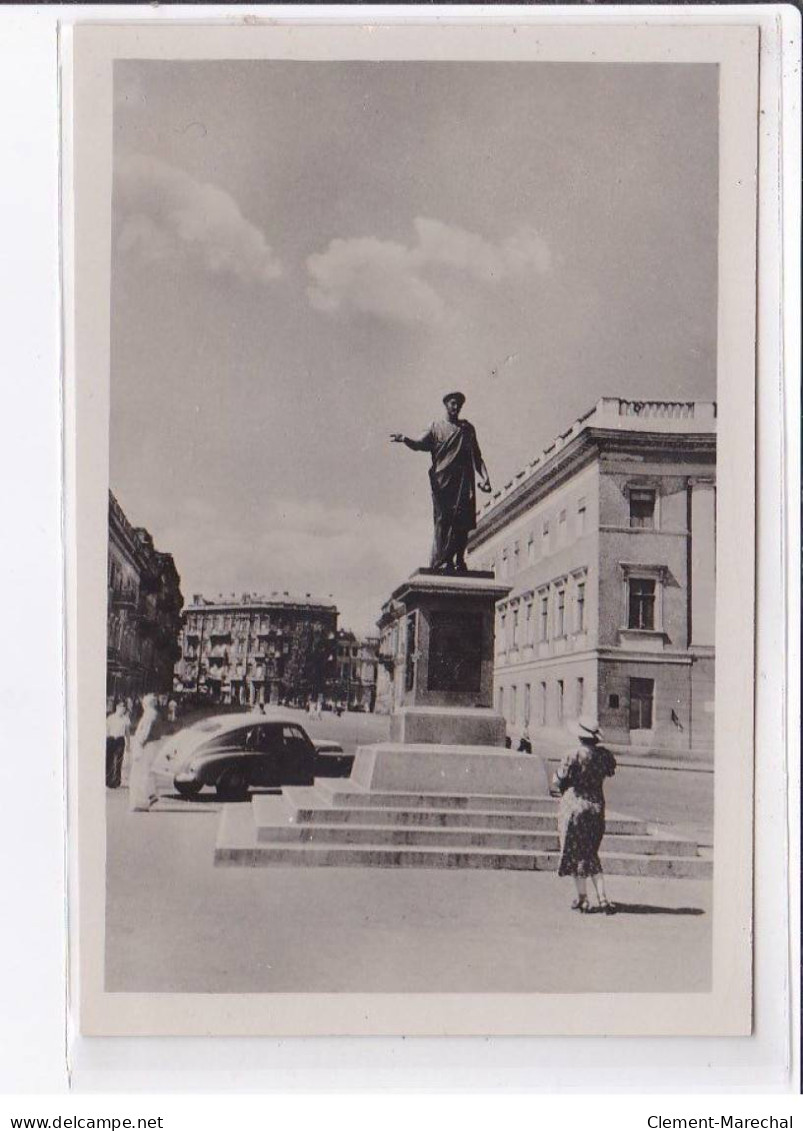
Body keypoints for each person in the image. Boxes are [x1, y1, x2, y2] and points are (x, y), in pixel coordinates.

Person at [391, 391, 492, 572]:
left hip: (463, 482)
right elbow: (419, 444)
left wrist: (486, 478)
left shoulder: (467, 429)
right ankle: (441, 560)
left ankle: (459, 559)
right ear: (446, 404)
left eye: (459, 404)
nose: (456, 407)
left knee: (462, 522)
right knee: (443, 521)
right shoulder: (435, 426)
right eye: (453, 403)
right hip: (443, 483)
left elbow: (477, 456)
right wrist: (405, 439)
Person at [554, 717, 617, 914]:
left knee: (575, 853)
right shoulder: (605, 755)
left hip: (575, 806)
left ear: (580, 736)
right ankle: (603, 898)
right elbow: (610, 771)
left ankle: (583, 899)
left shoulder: (572, 755)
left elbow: (558, 780)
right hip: (597, 806)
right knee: (591, 852)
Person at [128, 693, 160, 812]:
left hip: (144, 747)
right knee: (145, 772)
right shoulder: (152, 714)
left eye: (144, 702)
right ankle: (150, 795)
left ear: (147, 703)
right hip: (148, 746)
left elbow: (145, 732)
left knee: (139, 774)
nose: (142, 704)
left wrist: (140, 744)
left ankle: (142, 801)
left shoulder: (150, 714)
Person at [105, 700, 130, 789]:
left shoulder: (125, 719)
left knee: (118, 761)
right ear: (117, 707)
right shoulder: (110, 718)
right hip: (111, 739)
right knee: (109, 760)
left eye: (124, 707)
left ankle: (116, 781)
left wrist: (128, 744)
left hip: (120, 740)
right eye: (120, 706)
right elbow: (107, 731)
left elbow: (127, 732)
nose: (122, 709)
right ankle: (108, 780)